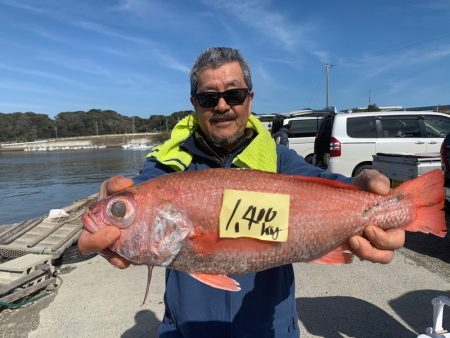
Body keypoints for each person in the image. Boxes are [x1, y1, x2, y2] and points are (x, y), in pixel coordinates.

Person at [78, 47, 405, 338]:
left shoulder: (279, 160)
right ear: (194, 104)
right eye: (208, 98)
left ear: (249, 98)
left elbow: (323, 183)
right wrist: (114, 206)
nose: (222, 105)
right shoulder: (167, 165)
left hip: (271, 329)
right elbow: (139, 186)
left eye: (233, 95)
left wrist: (371, 198)